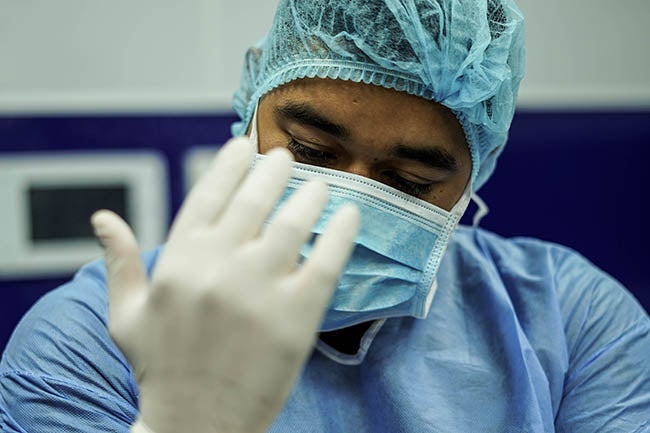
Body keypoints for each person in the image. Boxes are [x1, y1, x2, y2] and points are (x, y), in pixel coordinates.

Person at [1, 0, 649, 431]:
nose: (347, 205)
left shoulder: (571, 320)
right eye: (311, 152)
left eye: (408, 181)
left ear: (472, 179)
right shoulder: (91, 340)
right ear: (251, 108)